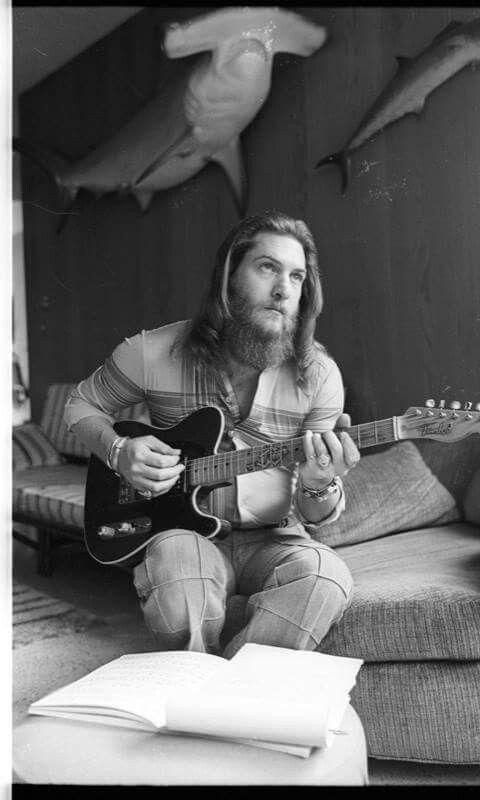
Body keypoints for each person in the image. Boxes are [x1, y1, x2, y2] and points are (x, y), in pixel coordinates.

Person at [64, 210, 360, 658]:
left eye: (297, 277)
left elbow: (315, 512)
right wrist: (119, 450)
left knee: (326, 577)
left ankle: (232, 688)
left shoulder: (319, 374)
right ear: (228, 276)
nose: (283, 290)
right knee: (177, 572)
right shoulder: (151, 352)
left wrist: (319, 484)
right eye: (267, 268)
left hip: (277, 537)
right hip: (185, 533)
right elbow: (80, 404)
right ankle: (207, 679)